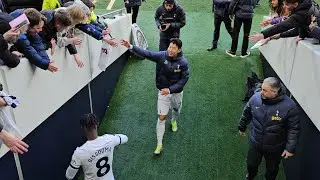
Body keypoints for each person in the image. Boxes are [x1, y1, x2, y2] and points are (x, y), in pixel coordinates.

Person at [120, 38, 189, 155]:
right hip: (163, 92)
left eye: (174, 48)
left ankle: (174, 120)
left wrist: (171, 89)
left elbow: (184, 79)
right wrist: (131, 46)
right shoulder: (162, 56)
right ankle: (159, 144)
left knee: (176, 110)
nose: (170, 50)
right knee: (161, 117)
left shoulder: (183, 63)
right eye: (170, 47)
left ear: (179, 49)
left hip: (176, 93)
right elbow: (147, 53)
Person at [238, 77, 300, 180]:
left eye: (265, 90)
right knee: (251, 165)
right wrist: (241, 127)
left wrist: (290, 148)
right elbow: (246, 112)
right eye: (262, 88)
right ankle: (250, 176)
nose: (261, 92)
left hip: (275, 147)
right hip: (255, 143)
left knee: (272, 170)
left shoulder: (290, 106)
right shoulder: (255, 98)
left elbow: (294, 129)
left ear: (275, 91)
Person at [65, 113, 128, 180]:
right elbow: (125, 138)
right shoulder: (110, 139)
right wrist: (111, 137)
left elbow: (69, 176)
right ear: (96, 124)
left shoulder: (79, 153)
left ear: (83, 128)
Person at [10, 8, 59, 72]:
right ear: (28, 26)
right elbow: (28, 49)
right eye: (38, 28)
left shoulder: (28, 23)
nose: (41, 30)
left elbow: (38, 45)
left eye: (41, 27)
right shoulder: (18, 30)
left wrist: (47, 61)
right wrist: (45, 64)